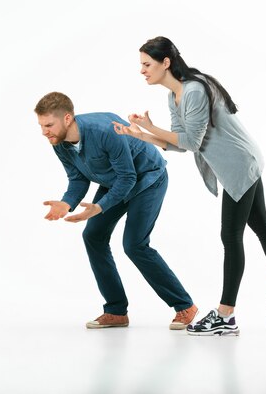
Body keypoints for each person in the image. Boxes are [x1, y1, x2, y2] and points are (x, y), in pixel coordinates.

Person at [113, 36, 266, 335]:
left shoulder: (192, 90)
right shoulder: (174, 96)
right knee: (260, 223)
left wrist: (151, 128)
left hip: (239, 163)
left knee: (231, 236)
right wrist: (141, 136)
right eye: (141, 65)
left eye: (147, 64)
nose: (142, 70)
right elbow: (182, 144)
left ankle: (226, 316)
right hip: (240, 162)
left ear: (166, 63)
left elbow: (191, 141)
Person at [35, 91, 198, 330]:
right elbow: (78, 179)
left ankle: (184, 306)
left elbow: (129, 177)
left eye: (48, 125)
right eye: (41, 126)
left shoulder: (104, 131)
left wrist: (99, 207)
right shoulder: (59, 143)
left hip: (147, 179)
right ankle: (116, 311)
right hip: (115, 182)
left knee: (134, 244)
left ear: (67, 118)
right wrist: (66, 203)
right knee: (93, 236)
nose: (44, 131)